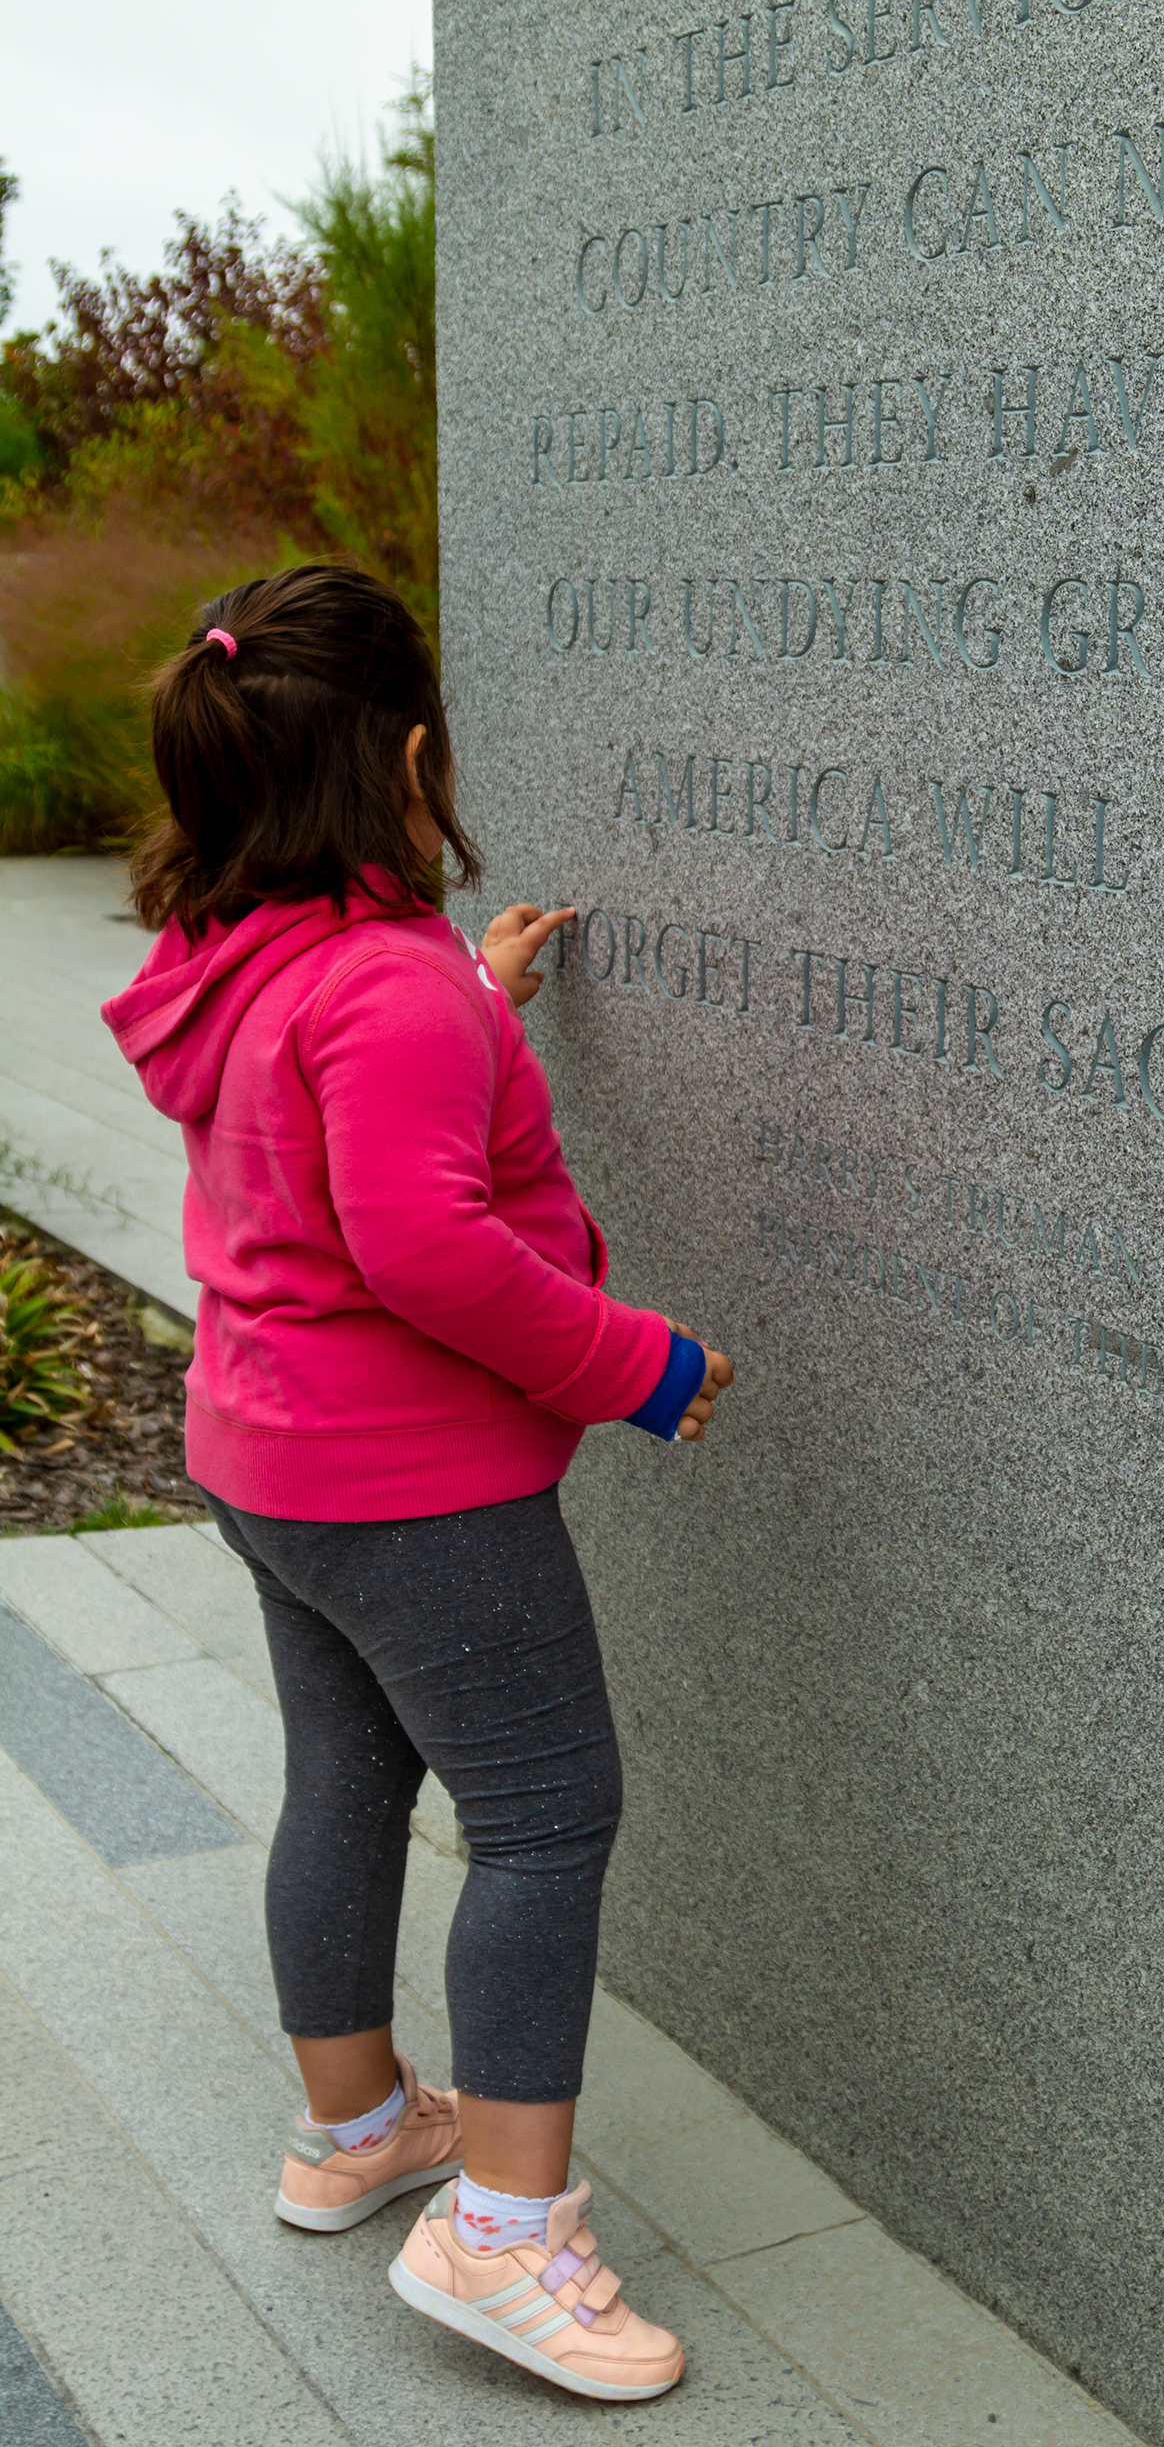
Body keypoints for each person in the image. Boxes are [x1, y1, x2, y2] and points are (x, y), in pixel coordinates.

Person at [103, 562, 731, 2404]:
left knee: (349, 1779)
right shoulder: (380, 990)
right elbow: (428, 1251)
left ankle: (358, 2126)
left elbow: (338, 1114)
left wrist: (474, 992)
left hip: (270, 1463)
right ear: (402, 748)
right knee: (545, 1820)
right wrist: (644, 1364)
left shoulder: (250, 957)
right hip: (412, 1487)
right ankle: (510, 2243)